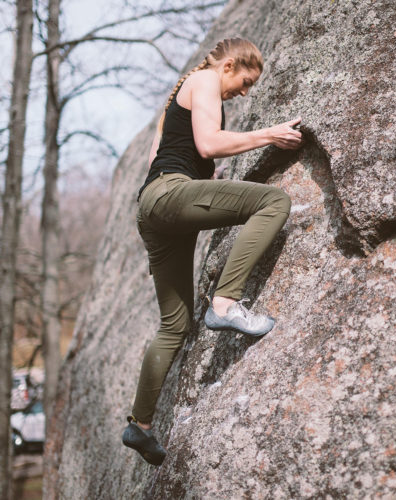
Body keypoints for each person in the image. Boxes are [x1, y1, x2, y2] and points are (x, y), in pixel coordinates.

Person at [122, 38, 303, 465]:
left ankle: (140, 425)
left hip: (154, 207)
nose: (244, 92)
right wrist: (269, 136)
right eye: (245, 82)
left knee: (175, 326)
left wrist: (204, 174)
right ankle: (226, 303)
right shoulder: (204, 78)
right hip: (169, 196)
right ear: (228, 65)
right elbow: (207, 142)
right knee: (274, 202)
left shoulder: (177, 97)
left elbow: (168, 156)